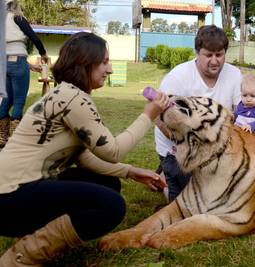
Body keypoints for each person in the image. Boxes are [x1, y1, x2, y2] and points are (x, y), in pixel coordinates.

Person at [0, 32, 169, 266]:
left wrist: (132, 172)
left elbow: (85, 158)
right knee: (111, 205)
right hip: (10, 197)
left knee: (108, 183)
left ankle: (35, 235)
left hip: (16, 192)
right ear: (85, 63)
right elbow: (113, 151)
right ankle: (19, 258)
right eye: (104, 62)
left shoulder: (66, 94)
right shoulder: (73, 98)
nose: (109, 70)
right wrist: (148, 115)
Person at [155, 25, 242, 202]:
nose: (215, 61)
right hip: (179, 148)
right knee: (191, 201)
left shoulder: (234, 74)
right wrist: (185, 142)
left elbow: (240, 112)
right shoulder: (178, 76)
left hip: (217, 147)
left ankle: (166, 175)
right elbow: (157, 116)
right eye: (208, 55)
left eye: (219, 55)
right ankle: (167, 174)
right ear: (197, 52)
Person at [0, 0, 48, 148]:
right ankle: (15, 141)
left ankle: (2, 138)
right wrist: (43, 53)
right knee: (19, 101)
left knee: (5, 101)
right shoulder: (17, 17)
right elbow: (34, 38)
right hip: (18, 62)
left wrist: (29, 66)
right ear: (16, 5)